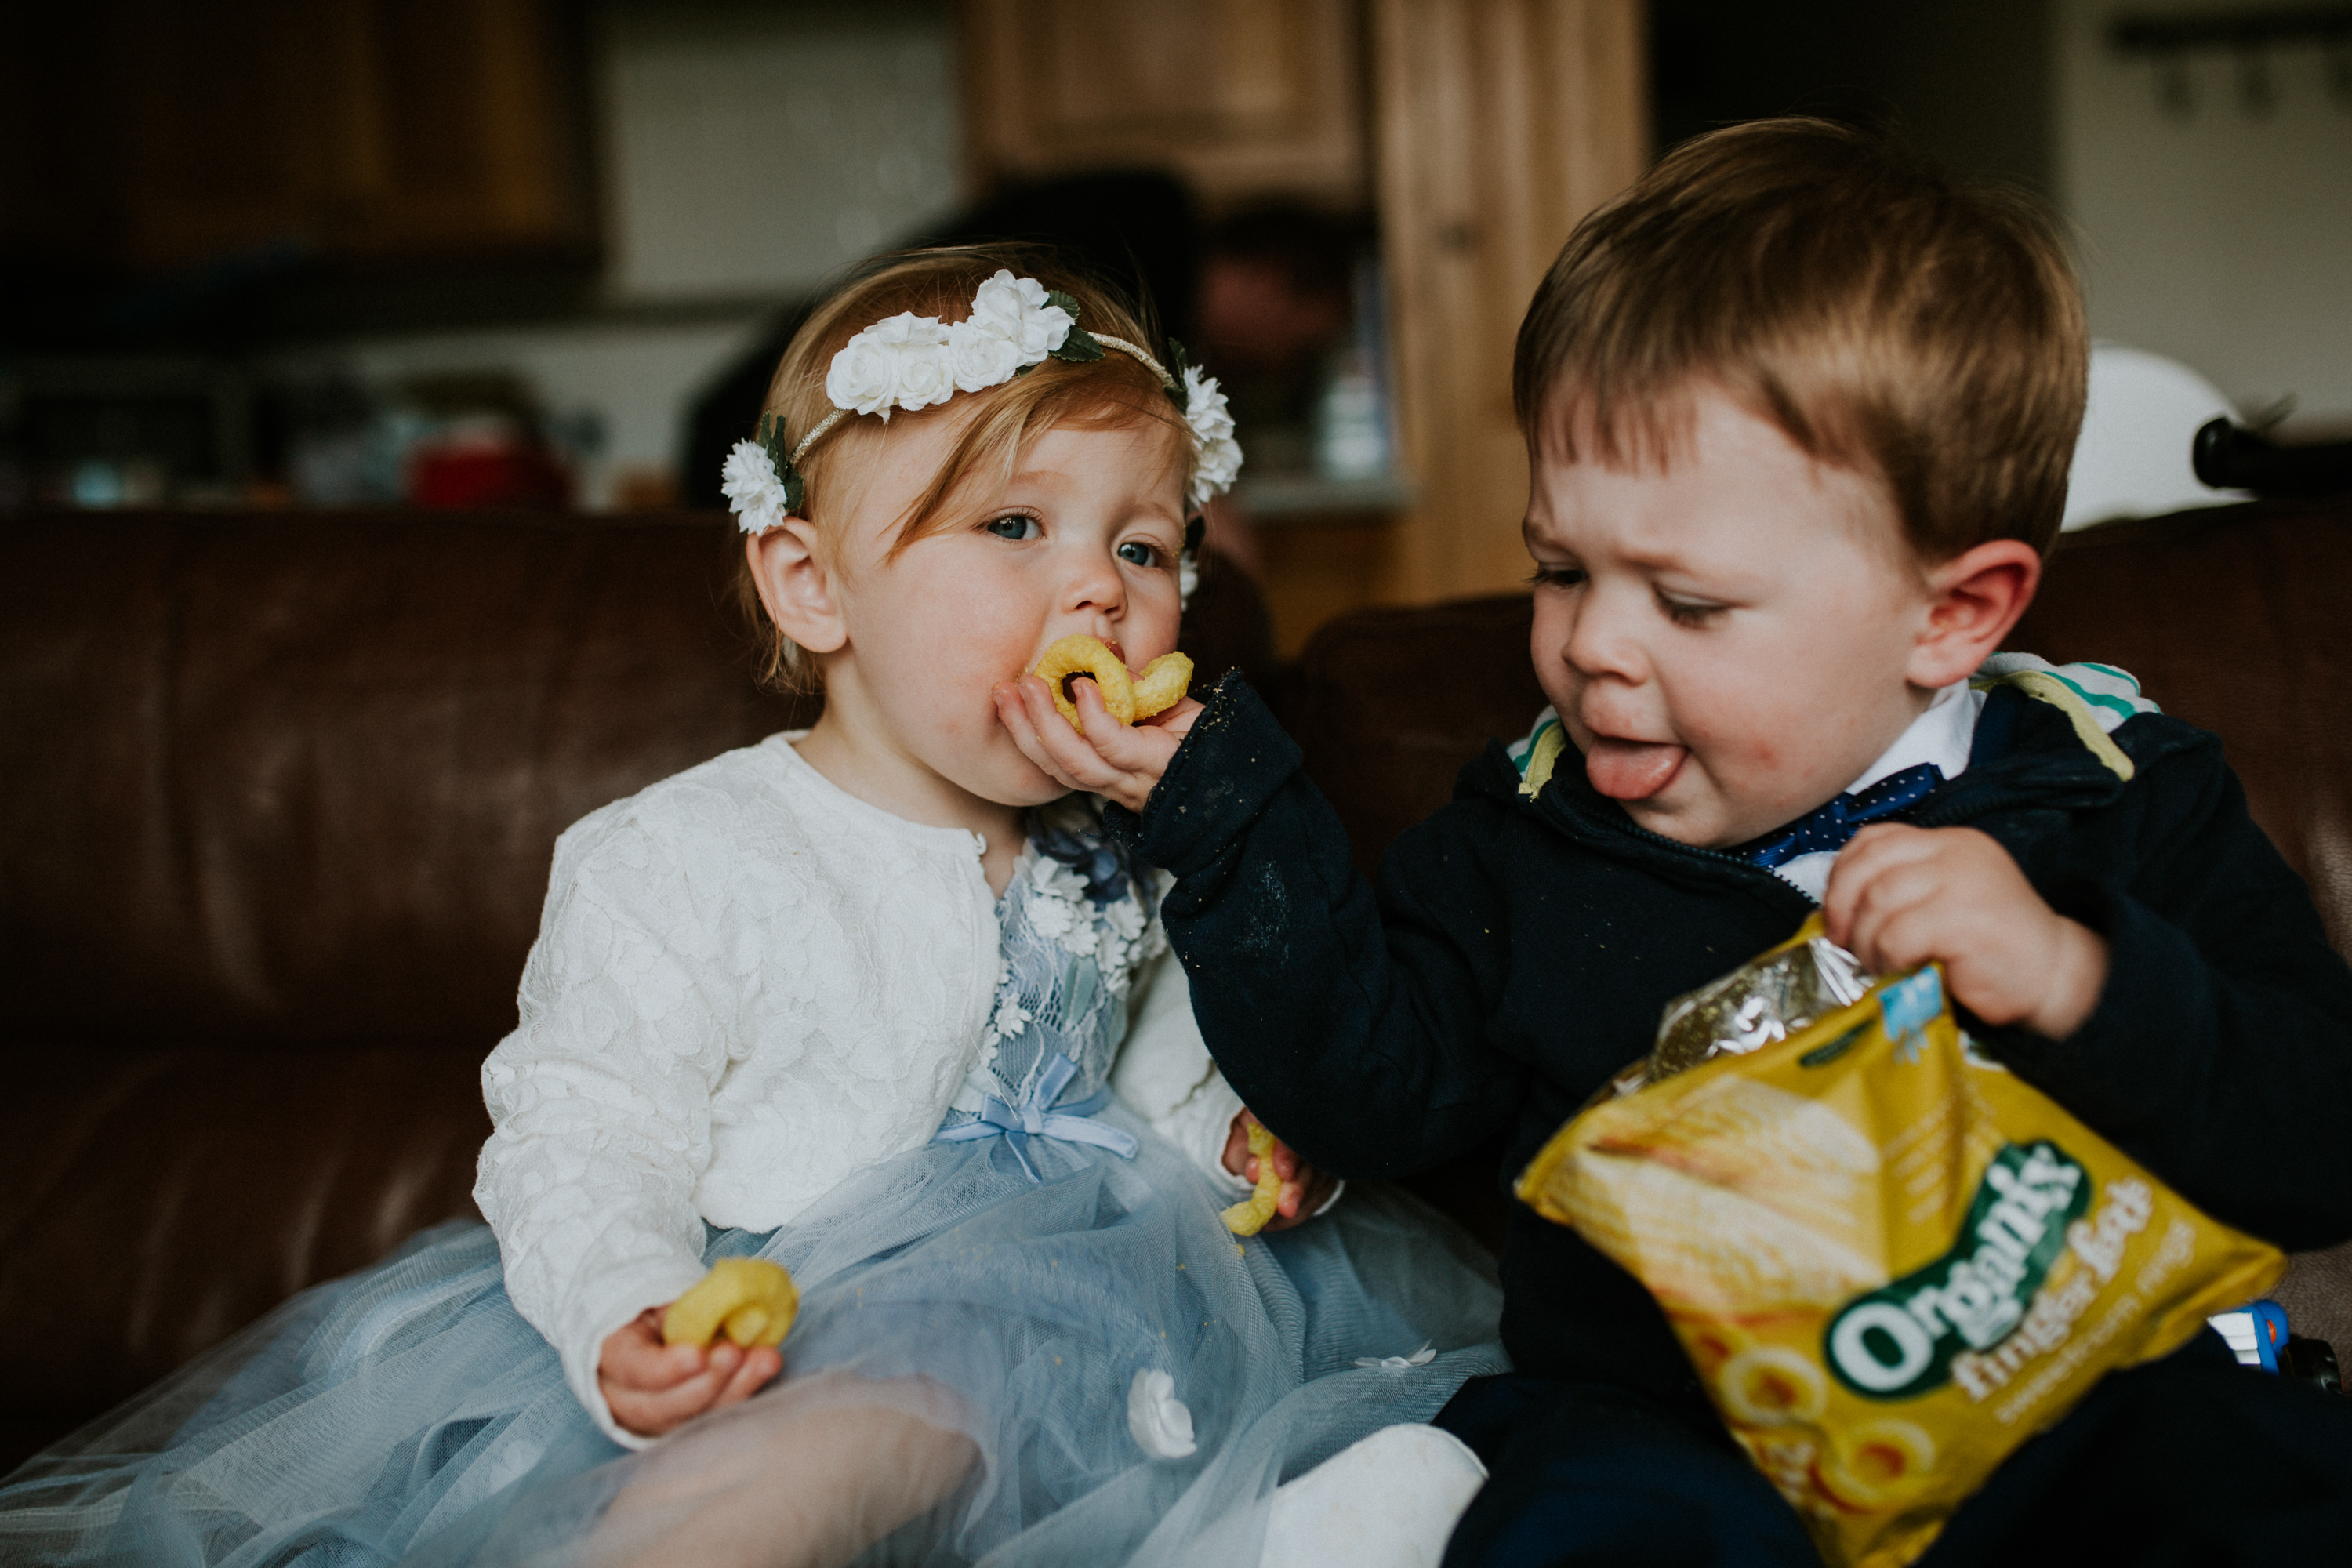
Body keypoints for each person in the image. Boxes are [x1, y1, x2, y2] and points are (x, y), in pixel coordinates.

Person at [0, 250, 1504, 1567]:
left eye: (1144, 546)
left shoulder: (1136, 847)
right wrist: (628, 1307)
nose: (1100, 594)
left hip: (1113, 1299)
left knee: (1169, 1403)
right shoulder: (685, 858)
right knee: (831, 1446)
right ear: (810, 586)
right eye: (1013, 528)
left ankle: (1266, 1533)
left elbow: (1161, 1066)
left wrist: (1232, 1141)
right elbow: (583, 1128)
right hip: (788, 1313)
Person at [994, 120, 2352, 1565]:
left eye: (1689, 605)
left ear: (1951, 615)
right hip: (1671, 1434)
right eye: (1561, 570)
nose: (1593, 651)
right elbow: (1369, 1092)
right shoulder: (1527, 837)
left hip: (2072, 1404)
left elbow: (2318, 1137)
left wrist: (2081, 979)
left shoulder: (2114, 793)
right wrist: (1216, 808)